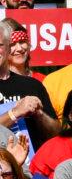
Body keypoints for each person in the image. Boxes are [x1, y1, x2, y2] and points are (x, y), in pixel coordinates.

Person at [0, 18, 60, 149]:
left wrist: (40, 114)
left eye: (23, 42)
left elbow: (56, 135)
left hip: (34, 167)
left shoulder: (34, 85)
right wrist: (14, 113)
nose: (19, 48)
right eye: (14, 44)